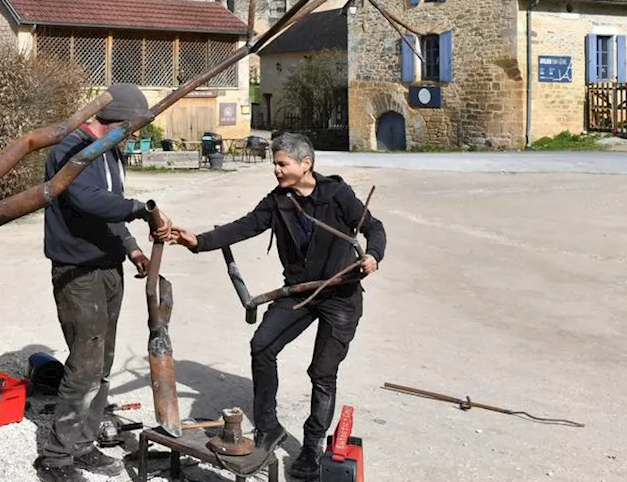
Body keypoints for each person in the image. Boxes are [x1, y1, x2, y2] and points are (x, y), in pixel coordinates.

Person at [170, 132, 385, 481]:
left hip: (340, 296)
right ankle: (269, 428)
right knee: (262, 346)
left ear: (306, 164)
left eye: (281, 163)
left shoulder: (337, 194)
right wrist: (198, 241)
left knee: (322, 372)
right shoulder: (279, 201)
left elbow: (373, 227)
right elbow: (245, 226)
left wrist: (373, 255)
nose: (276, 169)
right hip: (298, 293)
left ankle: (312, 446)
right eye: (275, 163)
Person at [34, 83, 174, 482]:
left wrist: (131, 249)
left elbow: (107, 212)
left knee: (104, 363)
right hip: (77, 272)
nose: (135, 135)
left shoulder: (111, 152)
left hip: (109, 268)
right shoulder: (72, 150)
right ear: (118, 121)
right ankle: (57, 458)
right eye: (133, 127)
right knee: (84, 364)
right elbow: (87, 199)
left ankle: (84, 444)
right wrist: (142, 210)